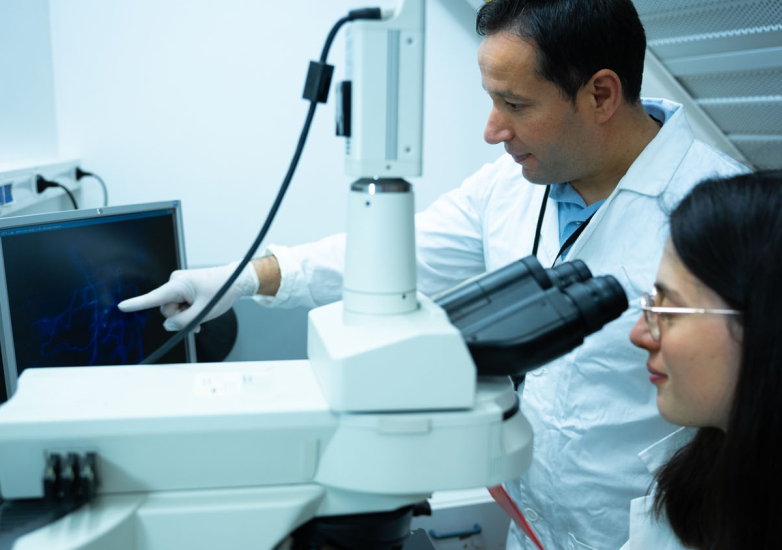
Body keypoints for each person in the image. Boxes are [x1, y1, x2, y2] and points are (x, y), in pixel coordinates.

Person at [120, 1, 747, 548]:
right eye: (490, 100)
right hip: (531, 532)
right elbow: (384, 259)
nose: (492, 129)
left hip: (645, 536)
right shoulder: (510, 185)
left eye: (515, 103)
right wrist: (241, 279)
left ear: (602, 95)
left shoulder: (723, 214)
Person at [626, 171, 782, 549]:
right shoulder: (699, 480)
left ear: (765, 325)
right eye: (651, 303)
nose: (639, 334)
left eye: (671, 310)